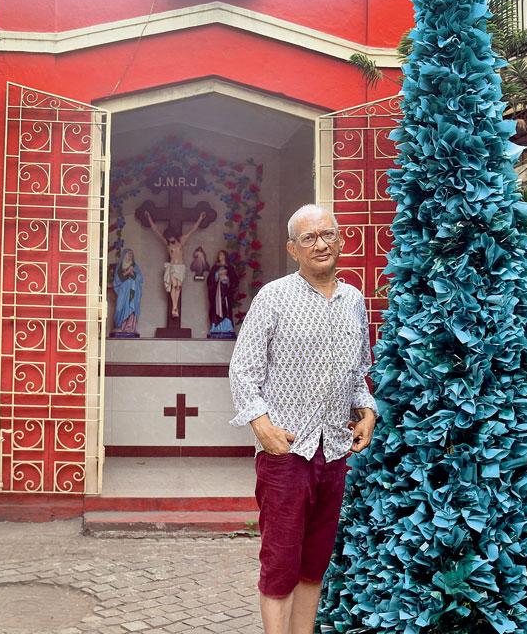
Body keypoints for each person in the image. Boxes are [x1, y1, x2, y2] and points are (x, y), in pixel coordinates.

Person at [229, 203, 377, 634]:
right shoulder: (273, 297)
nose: (320, 244)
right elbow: (243, 369)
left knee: (314, 565)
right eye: (308, 238)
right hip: (286, 453)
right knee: (280, 564)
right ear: (293, 249)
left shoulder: (353, 300)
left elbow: (358, 372)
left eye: (327, 235)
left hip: (333, 451)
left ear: (341, 240)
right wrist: (262, 427)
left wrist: (367, 410)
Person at [142, 209, 207, 319]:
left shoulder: (181, 241)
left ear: (173, 235)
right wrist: (149, 218)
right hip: (172, 266)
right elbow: (156, 231)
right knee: (174, 285)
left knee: (178, 286)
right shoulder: (167, 244)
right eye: (168, 238)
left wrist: (200, 218)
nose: (170, 239)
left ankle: (175, 306)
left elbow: (192, 230)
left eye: (170, 237)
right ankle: (174, 307)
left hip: (181, 267)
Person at [111, 248, 144, 336]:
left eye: (132, 255)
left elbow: (140, 279)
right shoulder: (120, 266)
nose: (130, 256)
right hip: (123, 291)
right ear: (124, 255)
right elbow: (118, 280)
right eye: (129, 254)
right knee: (119, 307)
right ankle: (120, 326)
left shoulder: (135, 267)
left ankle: (130, 327)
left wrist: (133, 273)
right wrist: (127, 272)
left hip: (133, 290)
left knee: (131, 305)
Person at [207, 249, 239, 336]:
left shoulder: (230, 268)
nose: (219, 256)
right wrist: (217, 276)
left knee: (226, 308)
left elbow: (234, 281)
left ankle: (227, 327)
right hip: (217, 292)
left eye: (221, 254)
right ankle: (216, 327)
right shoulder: (215, 267)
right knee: (216, 308)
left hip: (226, 292)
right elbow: (210, 280)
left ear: (225, 256)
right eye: (219, 255)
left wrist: (227, 279)